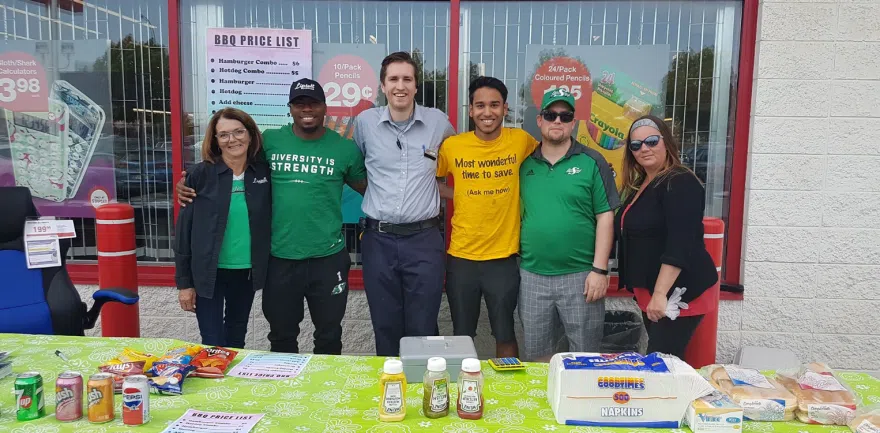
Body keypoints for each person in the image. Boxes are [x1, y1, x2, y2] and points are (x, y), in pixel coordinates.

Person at [177, 79, 368, 354]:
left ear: (325, 107)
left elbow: (369, 191)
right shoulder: (270, 142)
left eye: (313, 103)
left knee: (329, 335)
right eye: (299, 103)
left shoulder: (344, 149)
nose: (307, 109)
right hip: (279, 259)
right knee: (281, 336)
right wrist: (189, 183)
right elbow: (232, 163)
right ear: (290, 108)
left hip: (328, 258)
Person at [353, 51, 455, 356]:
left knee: (423, 325)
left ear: (416, 85)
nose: (400, 86)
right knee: (384, 324)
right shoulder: (365, 123)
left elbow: (458, 161)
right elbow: (356, 169)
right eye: (393, 79)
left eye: (407, 79)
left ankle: (425, 384)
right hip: (378, 240)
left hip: (424, 240)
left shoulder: (438, 123)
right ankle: (391, 384)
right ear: (383, 86)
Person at [436, 76, 538, 358]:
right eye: (480, 105)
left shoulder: (521, 141)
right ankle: (465, 384)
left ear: (505, 108)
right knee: (462, 335)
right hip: (461, 256)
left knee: (505, 333)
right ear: (470, 110)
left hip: (503, 258)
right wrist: (458, 194)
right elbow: (430, 180)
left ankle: (507, 383)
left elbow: (547, 163)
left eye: (494, 105)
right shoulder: (453, 146)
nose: (487, 112)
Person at [518, 88, 620, 362]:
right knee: (537, 358)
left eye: (565, 116)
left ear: (573, 122)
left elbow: (605, 216)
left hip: (581, 276)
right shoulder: (524, 164)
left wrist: (600, 270)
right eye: (551, 115)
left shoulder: (592, 161)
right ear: (539, 120)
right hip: (532, 275)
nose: (557, 121)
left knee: (585, 357)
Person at [614, 115, 718, 359]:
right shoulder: (642, 183)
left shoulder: (680, 182)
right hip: (651, 289)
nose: (644, 149)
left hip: (677, 291)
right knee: (662, 361)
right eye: (636, 145)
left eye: (651, 141)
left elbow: (680, 243)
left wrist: (660, 294)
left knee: (660, 363)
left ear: (666, 142)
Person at [174, 107, 271, 348]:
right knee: (212, 341)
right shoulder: (200, 174)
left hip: (245, 271)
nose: (232, 139)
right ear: (215, 140)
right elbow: (184, 233)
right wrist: (184, 283)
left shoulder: (264, 172)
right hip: (209, 272)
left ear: (250, 134)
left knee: (237, 338)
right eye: (224, 134)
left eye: (238, 132)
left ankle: (231, 375)